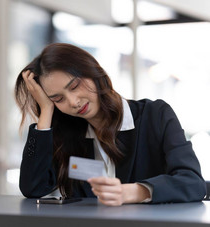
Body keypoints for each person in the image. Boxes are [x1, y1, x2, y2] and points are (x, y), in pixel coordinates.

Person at [14, 43, 206, 206]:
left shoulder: (155, 116)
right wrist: (46, 111)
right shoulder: (70, 133)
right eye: (58, 98)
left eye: (74, 86)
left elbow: (193, 183)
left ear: (93, 73)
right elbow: (33, 187)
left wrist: (134, 192)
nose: (73, 102)